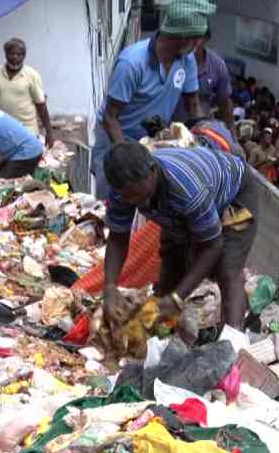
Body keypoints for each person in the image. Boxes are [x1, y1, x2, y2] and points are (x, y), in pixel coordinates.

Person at [101, 142, 257, 332]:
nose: (135, 202)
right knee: (169, 274)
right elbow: (117, 238)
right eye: (128, 197)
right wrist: (110, 287)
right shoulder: (123, 191)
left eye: (139, 195)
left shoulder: (187, 191)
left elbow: (212, 246)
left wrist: (177, 298)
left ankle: (234, 339)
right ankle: (163, 339)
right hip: (178, 207)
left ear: (153, 171)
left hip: (234, 193)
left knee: (227, 267)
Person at [92, 0, 214, 197]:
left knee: (147, 200)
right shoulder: (132, 64)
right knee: (115, 195)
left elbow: (193, 104)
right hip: (116, 137)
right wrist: (126, 158)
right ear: (183, 38)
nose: (198, 45)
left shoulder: (187, 60)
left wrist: (205, 137)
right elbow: (110, 118)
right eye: (197, 40)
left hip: (149, 138)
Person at [0, 38, 55, 147]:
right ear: (5, 54)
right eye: (11, 53)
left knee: (28, 157)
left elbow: (41, 105)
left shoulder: (32, 75)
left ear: (24, 56)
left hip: (26, 131)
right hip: (2, 130)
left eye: (19, 54)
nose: (15, 57)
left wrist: (49, 132)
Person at [173, 26, 234, 130]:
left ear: (206, 39)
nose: (192, 41)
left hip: (200, 127)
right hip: (171, 125)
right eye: (189, 36)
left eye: (197, 36)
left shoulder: (217, 65)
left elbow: (225, 103)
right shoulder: (174, 59)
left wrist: (231, 132)